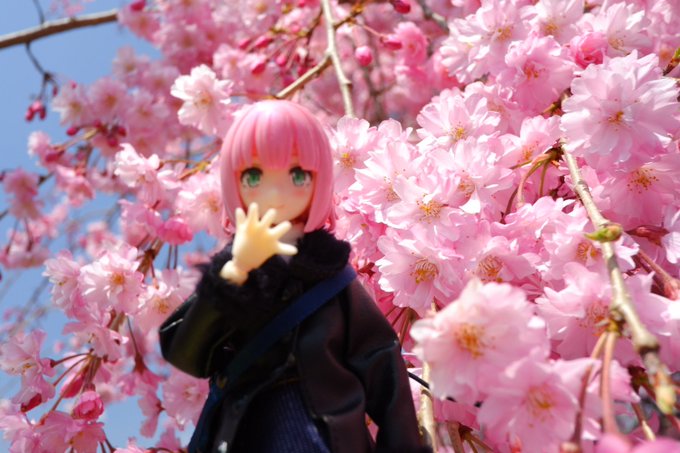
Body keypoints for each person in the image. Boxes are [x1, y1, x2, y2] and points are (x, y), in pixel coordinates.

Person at [159, 100, 427, 453]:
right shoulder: (234, 269)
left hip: (325, 432)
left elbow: (381, 365)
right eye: (254, 177)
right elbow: (187, 354)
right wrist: (235, 272)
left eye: (298, 175)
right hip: (248, 428)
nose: (275, 192)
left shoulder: (332, 277)